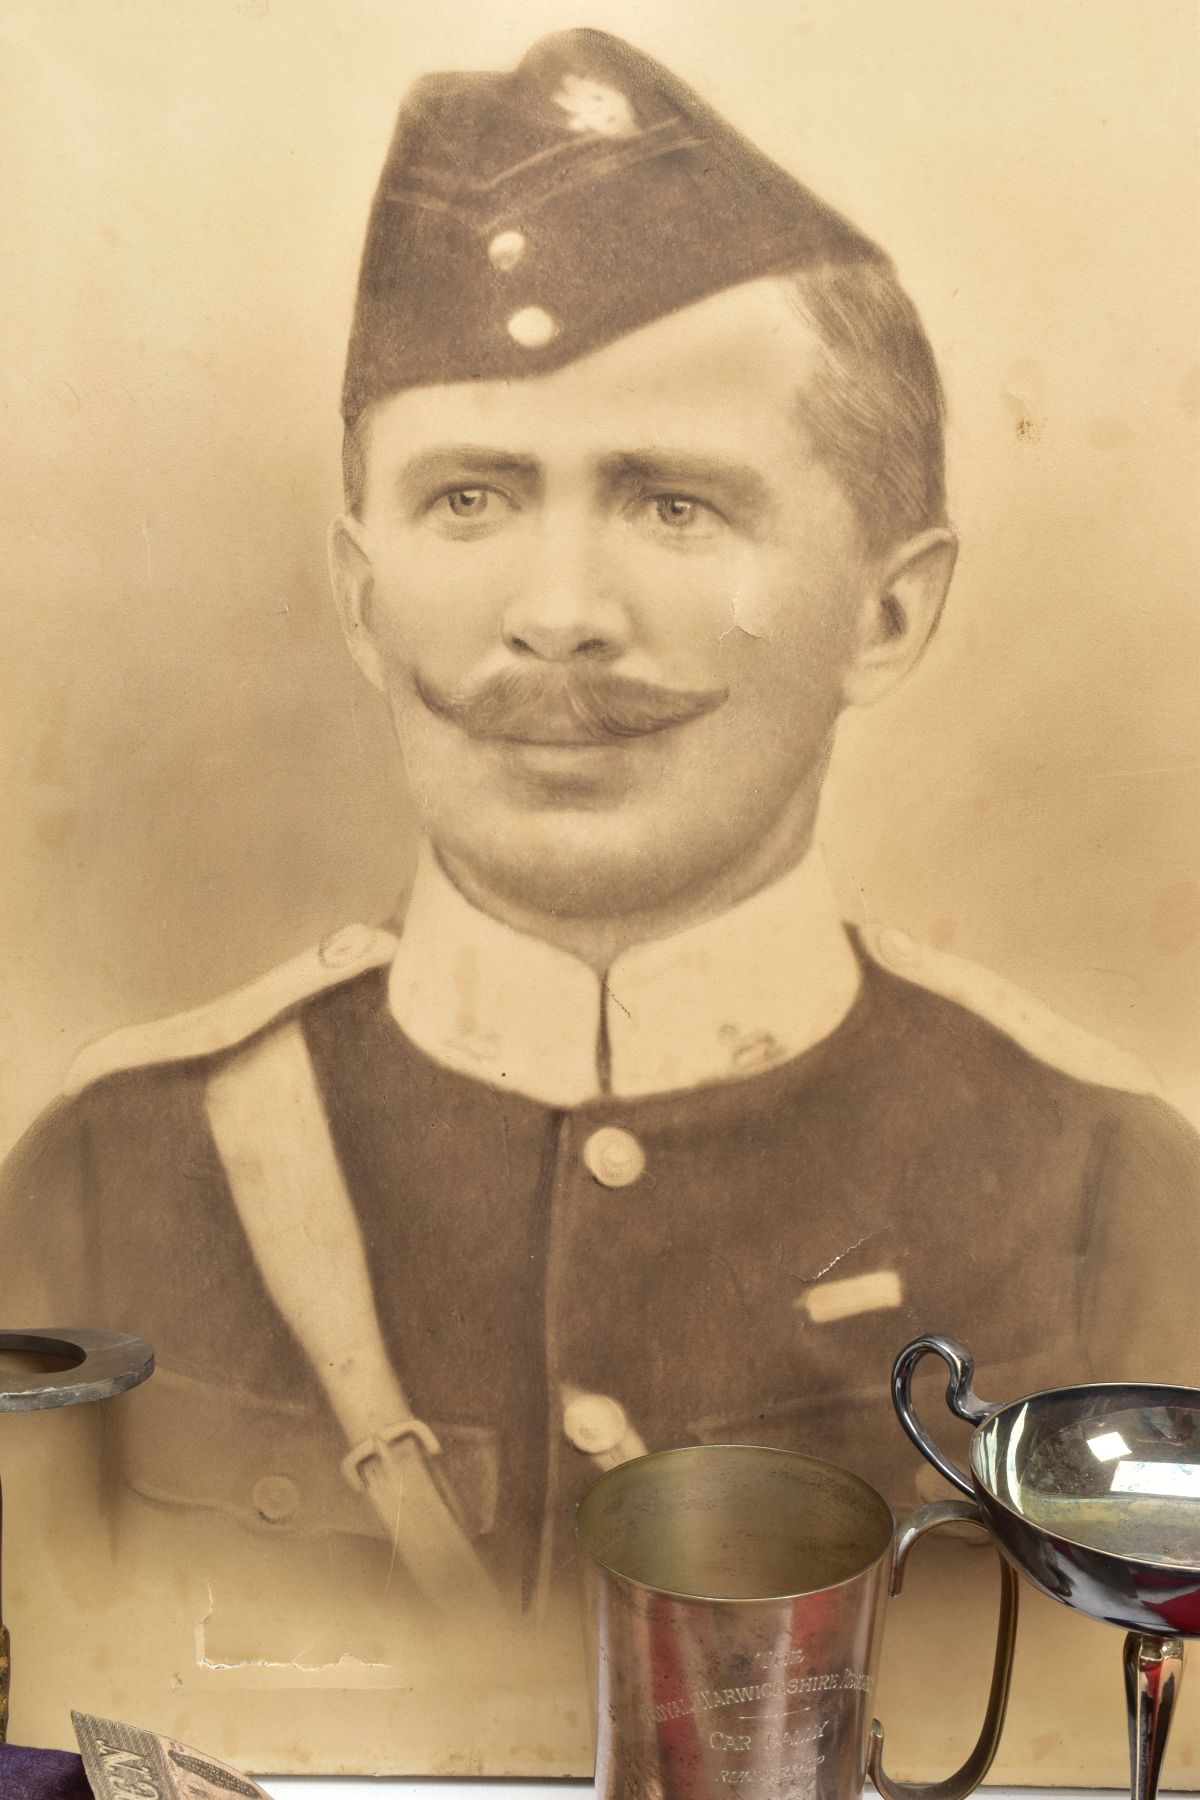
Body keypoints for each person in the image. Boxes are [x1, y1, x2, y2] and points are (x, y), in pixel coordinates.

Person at [1, 24, 1196, 1775]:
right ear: (359, 592)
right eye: (470, 497)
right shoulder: (107, 1171)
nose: (558, 611)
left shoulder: (1113, 1188)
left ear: (888, 607)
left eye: (675, 501)